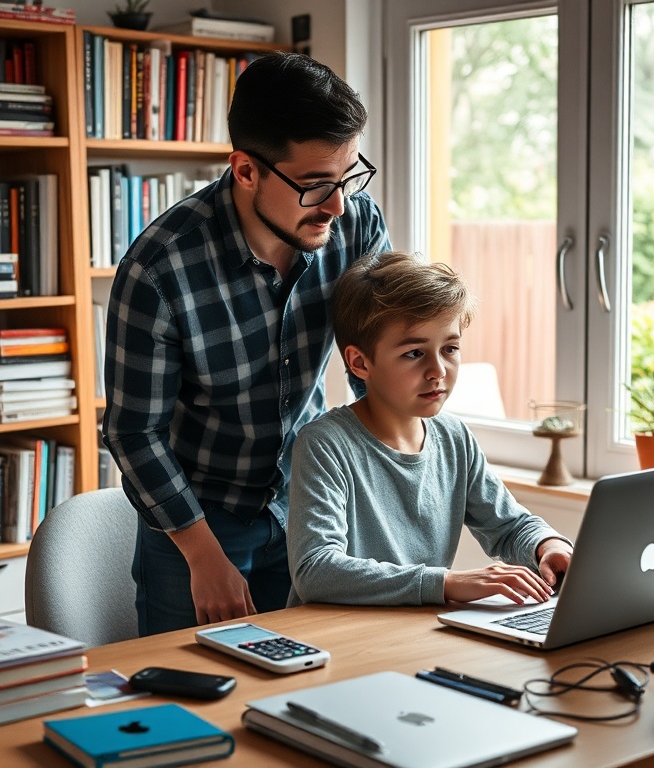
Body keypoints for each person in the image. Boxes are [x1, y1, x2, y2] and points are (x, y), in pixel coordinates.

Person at [102, 52, 391, 636]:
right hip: (197, 523)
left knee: (311, 690)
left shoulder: (354, 224)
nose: (338, 204)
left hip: (310, 504)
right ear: (245, 170)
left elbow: (375, 368)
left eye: (348, 176)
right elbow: (134, 433)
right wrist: (205, 558)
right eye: (315, 186)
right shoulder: (159, 271)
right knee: (189, 702)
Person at [287, 251, 574, 607]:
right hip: (336, 642)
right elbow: (316, 570)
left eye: (450, 348)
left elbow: (509, 525)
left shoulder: (455, 438)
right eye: (414, 353)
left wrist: (549, 545)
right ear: (360, 362)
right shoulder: (325, 444)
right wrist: (446, 583)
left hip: (413, 633)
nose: (438, 370)